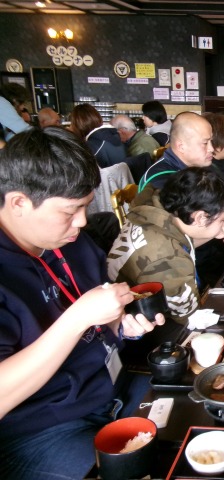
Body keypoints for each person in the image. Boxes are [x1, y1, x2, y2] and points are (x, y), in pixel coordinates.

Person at [0, 127, 164, 479]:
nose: (83, 221)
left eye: (86, 206)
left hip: (113, 387)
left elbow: (99, 324)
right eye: (70, 211)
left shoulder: (72, 242)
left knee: (195, 418)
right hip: (41, 429)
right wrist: (78, 318)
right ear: (18, 203)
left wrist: (121, 324)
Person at [107, 167, 224, 324]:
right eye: (223, 219)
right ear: (200, 218)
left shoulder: (156, 207)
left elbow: (181, 243)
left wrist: (214, 231)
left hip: (138, 298)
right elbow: (191, 320)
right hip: (146, 325)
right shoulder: (168, 259)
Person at [138, 111, 214, 191]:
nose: (211, 149)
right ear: (181, 147)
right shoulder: (162, 182)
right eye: (205, 143)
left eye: (211, 141)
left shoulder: (195, 167)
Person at [69, 103, 127, 168]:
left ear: (79, 124)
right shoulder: (111, 136)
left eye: (71, 124)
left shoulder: (93, 146)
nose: (70, 127)